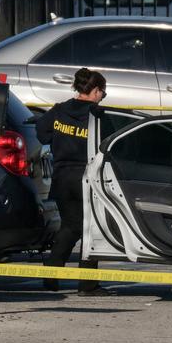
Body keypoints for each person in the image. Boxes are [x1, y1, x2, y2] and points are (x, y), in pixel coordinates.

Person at [36, 68, 113, 296]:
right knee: (90, 229)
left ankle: (51, 272)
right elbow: (110, 145)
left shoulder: (59, 110)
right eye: (102, 92)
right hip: (85, 179)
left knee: (71, 226)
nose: (102, 97)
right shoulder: (97, 115)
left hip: (61, 179)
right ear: (95, 90)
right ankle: (87, 284)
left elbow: (42, 133)